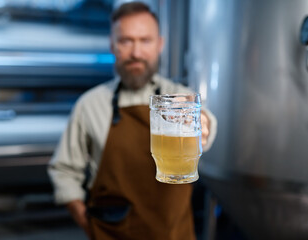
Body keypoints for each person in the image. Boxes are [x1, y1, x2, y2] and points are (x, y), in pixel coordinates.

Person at [48, 2, 217, 240]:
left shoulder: (179, 96)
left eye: (145, 40)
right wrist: (88, 225)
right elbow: (64, 171)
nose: (136, 52)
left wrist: (204, 125)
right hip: (111, 233)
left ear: (160, 44)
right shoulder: (90, 104)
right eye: (126, 41)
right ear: (112, 45)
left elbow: (206, 122)